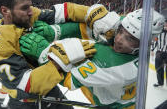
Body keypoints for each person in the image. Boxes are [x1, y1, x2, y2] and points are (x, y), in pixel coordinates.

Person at [0, 0, 97, 109]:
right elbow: (25, 85)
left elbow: (61, 14)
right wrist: (59, 60)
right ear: (5, 11)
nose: (31, 12)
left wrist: (93, 14)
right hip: (24, 102)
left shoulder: (28, 15)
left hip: (49, 90)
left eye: (30, 6)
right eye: (24, 8)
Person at [20, 7, 165, 108]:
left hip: (112, 106)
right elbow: (89, 25)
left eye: (130, 39)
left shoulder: (119, 68)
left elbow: (69, 80)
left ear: (146, 43)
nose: (119, 39)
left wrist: (43, 52)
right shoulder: (133, 29)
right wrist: (55, 31)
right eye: (120, 30)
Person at [151, 21, 167, 87]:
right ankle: (160, 82)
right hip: (159, 53)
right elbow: (155, 41)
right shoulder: (159, 32)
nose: (166, 25)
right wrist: (152, 50)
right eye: (165, 24)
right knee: (158, 68)